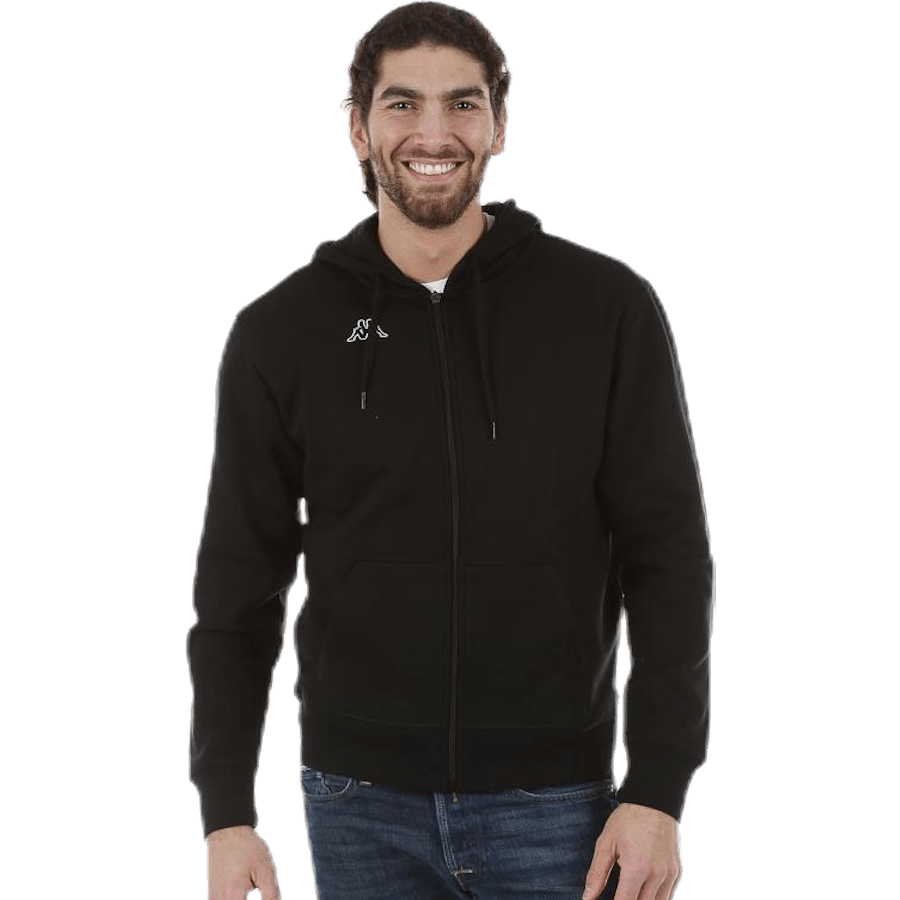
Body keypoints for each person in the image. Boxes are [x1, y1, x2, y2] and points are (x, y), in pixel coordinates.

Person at [186, 2, 715, 898]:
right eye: (402, 104)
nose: (434, 133)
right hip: (356, 804)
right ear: (358, 128)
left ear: (499, 125)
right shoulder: (282, 331)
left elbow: (669, 556)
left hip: (557, 802)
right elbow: (236, 585)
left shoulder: (603, 308)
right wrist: (227, 812)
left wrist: (659, 787)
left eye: (463, 104)